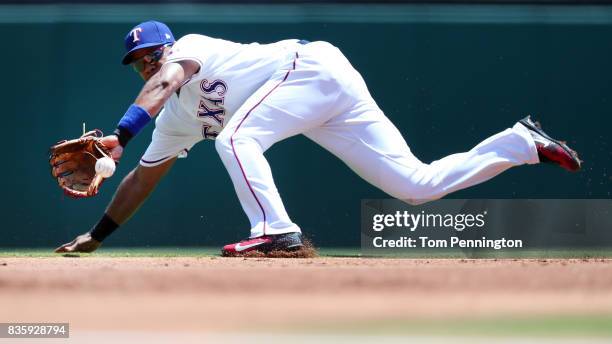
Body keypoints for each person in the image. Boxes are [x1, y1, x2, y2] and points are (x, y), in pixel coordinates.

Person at [54, 20, 581, 255]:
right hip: (319, 97)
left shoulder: (188, 50)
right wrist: (97, 236)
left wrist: (121, 134)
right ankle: (520, 143)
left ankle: (276, 230)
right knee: (415, 186)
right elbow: (143, 181)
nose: (147, 65)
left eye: (151, 55)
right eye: (138, 63)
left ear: (166, 49)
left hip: (311, 68)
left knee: (234, 138)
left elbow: (169, 80)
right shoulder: (172, 120)